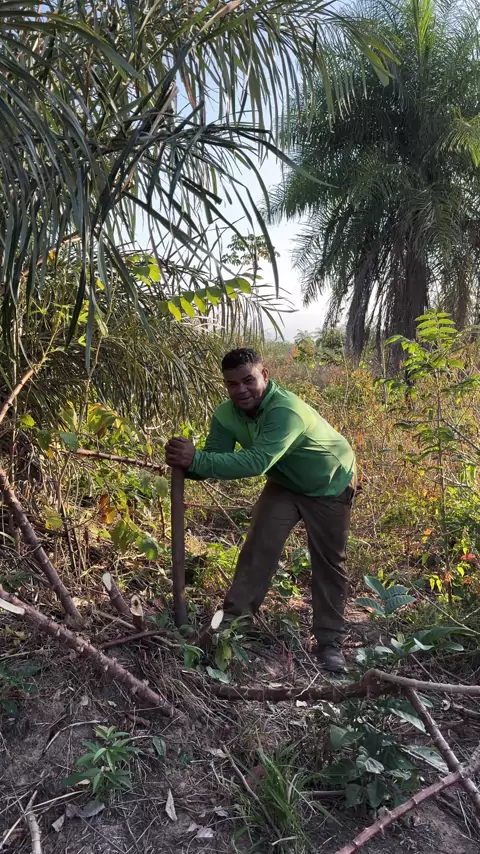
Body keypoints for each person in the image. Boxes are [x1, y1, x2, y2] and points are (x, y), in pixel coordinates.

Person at [165, 347, 356, 673]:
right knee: (258, 549)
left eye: (248, 380)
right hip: (285, 482)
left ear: (264, 376)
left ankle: (330, 643)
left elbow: (257, 462)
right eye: (232, 384)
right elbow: (215, 457)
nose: (241, 390)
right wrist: (187, 462)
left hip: (330, 483)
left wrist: (196, 460)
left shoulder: (286, 411)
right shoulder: (226, 414)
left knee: (328, 563)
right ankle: (231, 628)